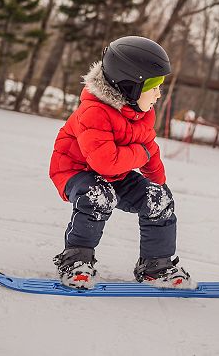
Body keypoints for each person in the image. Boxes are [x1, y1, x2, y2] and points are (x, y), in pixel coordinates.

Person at [49, 36, 194, 289]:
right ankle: (76, 261)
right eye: (154, 87)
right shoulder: (94, 111)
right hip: (76, 172)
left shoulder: (142, 113)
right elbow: (107, 162)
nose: (159, 94)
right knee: (98, 196)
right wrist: (142, 154)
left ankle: (155, 267)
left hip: (117, 175)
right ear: (130, 86)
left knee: (158, 198)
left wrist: (159, 185)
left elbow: (150, 148)